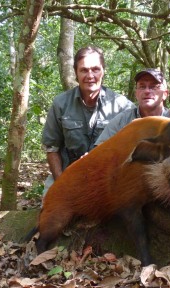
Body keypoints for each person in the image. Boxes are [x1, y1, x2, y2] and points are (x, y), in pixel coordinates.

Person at [42, 46, 135, 194]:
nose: (90, 75)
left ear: (103, 71)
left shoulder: (121, 105)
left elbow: (147, 121)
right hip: (68, 174)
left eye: (95, 69)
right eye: (84, 70)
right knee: (51, 211)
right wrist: (61, 184)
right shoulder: (60, 104)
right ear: (76, 73)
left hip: (108, 178)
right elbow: (52, 149)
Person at [94, 68, 170, 146]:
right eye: (142, 87)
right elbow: (100, 151)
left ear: (165, 94)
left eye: (153, 87)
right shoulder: (122, 121)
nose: (147, 91)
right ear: (136, 93)